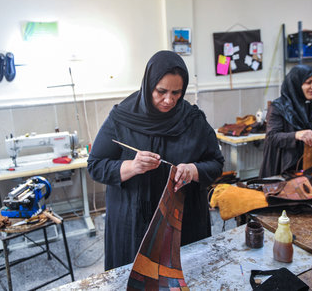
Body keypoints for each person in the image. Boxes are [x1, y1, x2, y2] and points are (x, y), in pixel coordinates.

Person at [87, 50, 224, 270]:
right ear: (148, 84)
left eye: (176, 92)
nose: (169, 100)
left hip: (182, 221)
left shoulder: (193, 120)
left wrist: (193, 170)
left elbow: (216, 163)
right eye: (161, 91)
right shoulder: (121, 118)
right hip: (133, 224)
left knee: (184, 275)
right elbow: (95, 166)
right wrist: (132, 166)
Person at [259, 65, 312, 178]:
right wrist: (296, 135)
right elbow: (272, 137)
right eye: (309, 82)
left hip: (307, 168)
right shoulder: (278, 107)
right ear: (296, 84)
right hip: (282, 168)